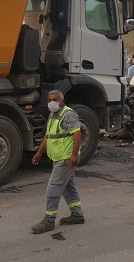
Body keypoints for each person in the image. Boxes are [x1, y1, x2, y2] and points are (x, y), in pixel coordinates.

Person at [31, 90, 85, 234]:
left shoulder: (68, 113)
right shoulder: (53, 114)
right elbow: (48, 136)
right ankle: (77, 215)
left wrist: (74, 155)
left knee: (53, 188)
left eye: (55, 99)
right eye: (50, 100)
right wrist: (39, 152)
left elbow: (77, 134)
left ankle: (49, 220)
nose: (52, 102)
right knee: (68, 186)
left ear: (62, 101)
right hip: (57, 157)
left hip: (65, 158)